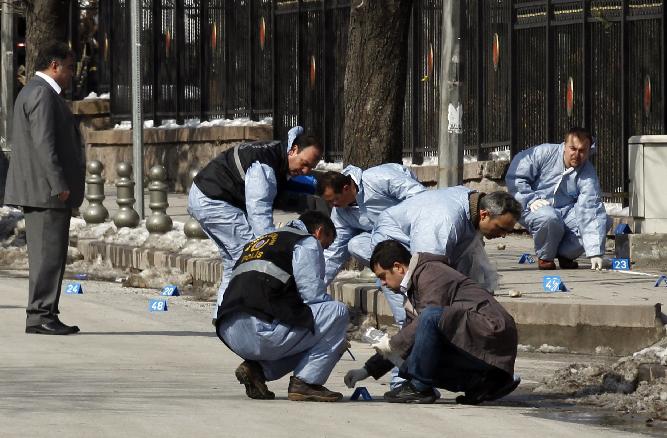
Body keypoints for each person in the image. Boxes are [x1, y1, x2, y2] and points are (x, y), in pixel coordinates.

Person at [344, 240, 520, 404]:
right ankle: (481, 384)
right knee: (411, 348)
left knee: (427, 320)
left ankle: (420, 387)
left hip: (491, 333)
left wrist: (390, 344)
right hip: (477, 339)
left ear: (398, 267)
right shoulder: (415, 286)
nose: (382, 283)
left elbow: (426, 321)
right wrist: (367, 370)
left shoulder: (431, 274)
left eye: (383, 276)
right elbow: (411, 336)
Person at [188, 126, 323, 317]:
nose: (305, 170)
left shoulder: (276, 154)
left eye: (311, 168)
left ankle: (224, 315)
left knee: (234, 260)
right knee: (249, 256)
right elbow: (259, 213)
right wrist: (272, 249)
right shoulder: (265, 167)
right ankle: (245, 314)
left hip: (207, 195)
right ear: (293, 150)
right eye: (304, 163)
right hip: (214, 200)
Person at [216, 211, 349, 402]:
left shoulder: (262, 241)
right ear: (319, 232)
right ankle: (306, 383)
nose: (323, 250)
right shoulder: (307, 242)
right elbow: (312, 294)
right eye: (325, 245)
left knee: (311, 332)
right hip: (260, 331)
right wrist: (335, 335)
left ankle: (257, 370)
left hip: (229, 331)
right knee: (337, 313)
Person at [316, 163, 425, 389]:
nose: (333, 206)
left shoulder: (379, 178)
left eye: (334, 200)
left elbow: (420, 199)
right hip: (391, 264)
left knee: (425, 318)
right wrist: (313, 289)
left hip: (417, 244)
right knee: (405, 319)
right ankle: (404, 379)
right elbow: (335, 254)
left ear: (347, 187)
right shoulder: (342, 214)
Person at [4, 42, 85, 335]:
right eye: (69, 68)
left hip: (43, 190)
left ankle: (45, 312)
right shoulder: (41, 93)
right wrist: (59, 183)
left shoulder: (36, 91)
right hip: (46, 191)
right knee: (47, 255)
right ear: (55, 65)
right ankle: (40, 315)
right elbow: (44, 144)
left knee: (49, 255)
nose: (71, 74)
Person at [370, 186, 522, 292]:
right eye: (501, 228)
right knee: (407, 287)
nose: (503, 235)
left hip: (425, 235)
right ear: (484, 215)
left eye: (507, 231)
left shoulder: (472, 206)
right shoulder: (446, 222)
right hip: (395, 236)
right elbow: (428, 270)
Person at [505, 127, 609, 270]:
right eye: (573, 148)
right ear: (564, 145)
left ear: (588, 151)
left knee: (604, 220)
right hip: (533, 206)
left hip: (565, 212)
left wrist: (595, 251)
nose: (577, 155)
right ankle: (545, 257)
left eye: (582, 151)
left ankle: (565, 255)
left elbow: (590, 208)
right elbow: (516, 175)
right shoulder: (544, 153)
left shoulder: (587, 173)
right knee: (549, 217)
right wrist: (529, 199)